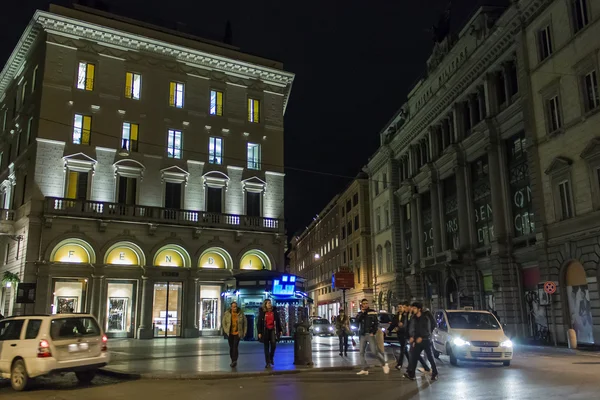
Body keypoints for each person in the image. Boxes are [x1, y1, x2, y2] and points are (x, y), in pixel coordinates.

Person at [404, 302, 438, 381]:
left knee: (430, 357)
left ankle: (435, 373)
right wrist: (412, 337)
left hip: (425, 340)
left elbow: (428, 328)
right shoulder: (414, 317)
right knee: (414, 357)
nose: (413, 309)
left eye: (414, 308)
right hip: (417, 340)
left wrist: (424, 337)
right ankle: (412, 375)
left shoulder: (425, 317)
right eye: (412, 308)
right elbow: (413, 329)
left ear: (419, 309)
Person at [356, 298, 389, 376]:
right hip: (362, 334)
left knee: (374, 351)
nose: (365, 305)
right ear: (361, 305)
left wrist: (373, 332)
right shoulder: (360, 313)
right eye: (364, 303)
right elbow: (357, 320)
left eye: (366, 303)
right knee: (361, 352)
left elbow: (376, 323)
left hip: (370, 334)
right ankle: (364, 368)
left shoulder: (372, 312)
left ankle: (384, 364)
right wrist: (362, 313)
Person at [257, 299, 282, 368]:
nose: (269, 304)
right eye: (268, 303)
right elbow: (259, 323)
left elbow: (278, 321)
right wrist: (259, 332)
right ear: (265, 304)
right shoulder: (262, 312)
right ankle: (267, 362)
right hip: (265, 330)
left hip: (273, 330)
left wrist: (280, 330)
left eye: (270, 303)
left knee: (273, 344)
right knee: (266, 347)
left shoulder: (274, 312)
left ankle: (271, 357)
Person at [222, 301, 247, 368]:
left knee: (235, 346)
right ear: (231, 307)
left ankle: (234, 360)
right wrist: (225, 330)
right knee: (231, 347)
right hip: (230, 333)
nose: (235, 308)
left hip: (237, 333)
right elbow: (224, 322)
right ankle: (232, 360)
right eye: (233, 307)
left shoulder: (240, 313)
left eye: (236, 306)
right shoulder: (227, 313)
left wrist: (244, 332)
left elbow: (245, 323)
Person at [388, 303, 410, 370]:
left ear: (403, 308)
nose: (399, 308)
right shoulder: (396, 315)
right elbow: (393, 324)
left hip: (405, 334)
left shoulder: (406, 315)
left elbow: (406, 325)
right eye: (398, 307)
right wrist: (388, 330)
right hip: (399, 334)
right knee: (404, 349)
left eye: (401, 307)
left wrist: (400, 327)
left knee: (402, 349)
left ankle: (399, 364)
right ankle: (411, 362)